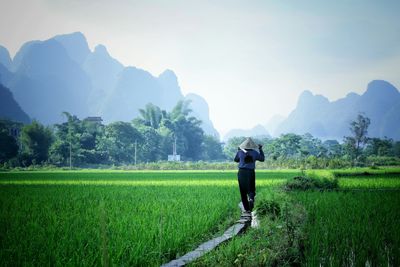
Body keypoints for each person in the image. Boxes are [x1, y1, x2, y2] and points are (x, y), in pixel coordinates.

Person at [234, 137, 265, 216]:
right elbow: (262, 159)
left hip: (242, 172)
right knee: (251, 188)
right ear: (251, 146)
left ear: (243, 146)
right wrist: (260, 149)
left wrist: (238, 151)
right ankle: (251, 199)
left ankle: (247, 209)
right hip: (251, 172)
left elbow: (236, 160)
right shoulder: (254, 153)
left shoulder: (240, 152)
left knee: (243, 190)